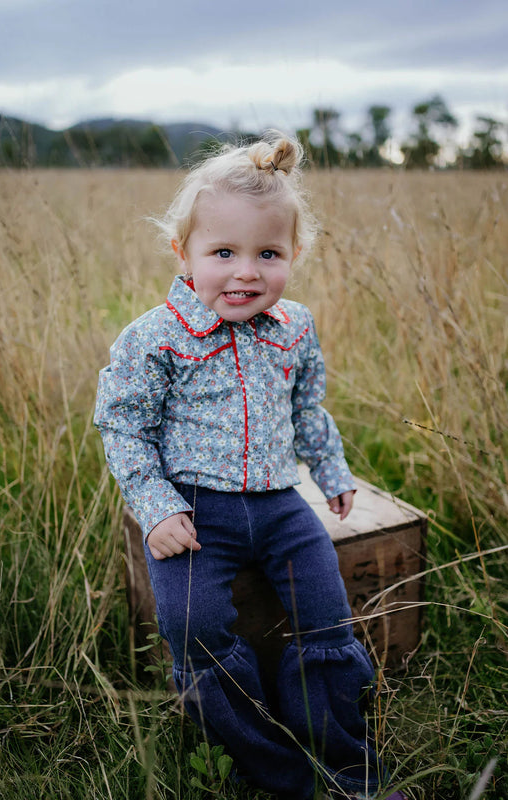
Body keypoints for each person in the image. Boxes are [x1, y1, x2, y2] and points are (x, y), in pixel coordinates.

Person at [94, 133, 406, 800]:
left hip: (280, 506)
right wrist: (155, 507)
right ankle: (273, 768)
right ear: (184, 254)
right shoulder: (154, 337)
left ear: (293, 254)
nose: (245, 273)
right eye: (223, 253)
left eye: (268, 254)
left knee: (325, 623)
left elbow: (307, 408)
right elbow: (123, 428)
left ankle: (349, 773)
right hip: (195, 511)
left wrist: (330, 470)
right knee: (193, 628)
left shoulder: (293, 326)